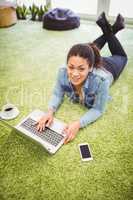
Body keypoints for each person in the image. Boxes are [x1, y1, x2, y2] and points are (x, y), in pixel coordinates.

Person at [36, 12, 128, 144]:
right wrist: (49, 112)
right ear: (67, 63)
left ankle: (109, 29)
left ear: (90, 67)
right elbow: (57, 93)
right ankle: (112, 28)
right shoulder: (63, 71)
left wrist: (78, 124)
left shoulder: (102, 81)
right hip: (89, 59)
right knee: (86, 50)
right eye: (71, 67)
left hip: (109, 68)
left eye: (81, 69)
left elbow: (98, 109)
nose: (74, 73)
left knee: (122, 56)